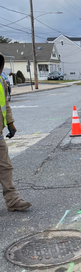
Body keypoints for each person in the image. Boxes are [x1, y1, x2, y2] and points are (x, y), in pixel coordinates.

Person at [0, 53, 32, 212]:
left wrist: (10, 123)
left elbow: (5, 104)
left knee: (5, 167)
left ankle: (13, 201)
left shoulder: (1, 80)